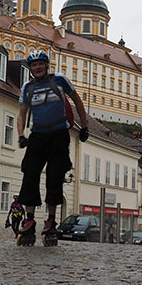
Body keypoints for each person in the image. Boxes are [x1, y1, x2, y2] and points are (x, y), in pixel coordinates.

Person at [16, 50, 89, 246]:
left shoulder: (60, 80)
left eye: (40, 64)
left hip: (59, 134)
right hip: (38, 135)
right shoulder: (27, 87)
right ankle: (29, 220)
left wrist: (85, 126)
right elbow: (21, 113)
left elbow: (77, 101)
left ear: (47, 65)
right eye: (33, 65)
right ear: (30, 68)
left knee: (54, 178)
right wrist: (21, 135)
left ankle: (50, 221)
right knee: (30, 175)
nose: (37, 67)